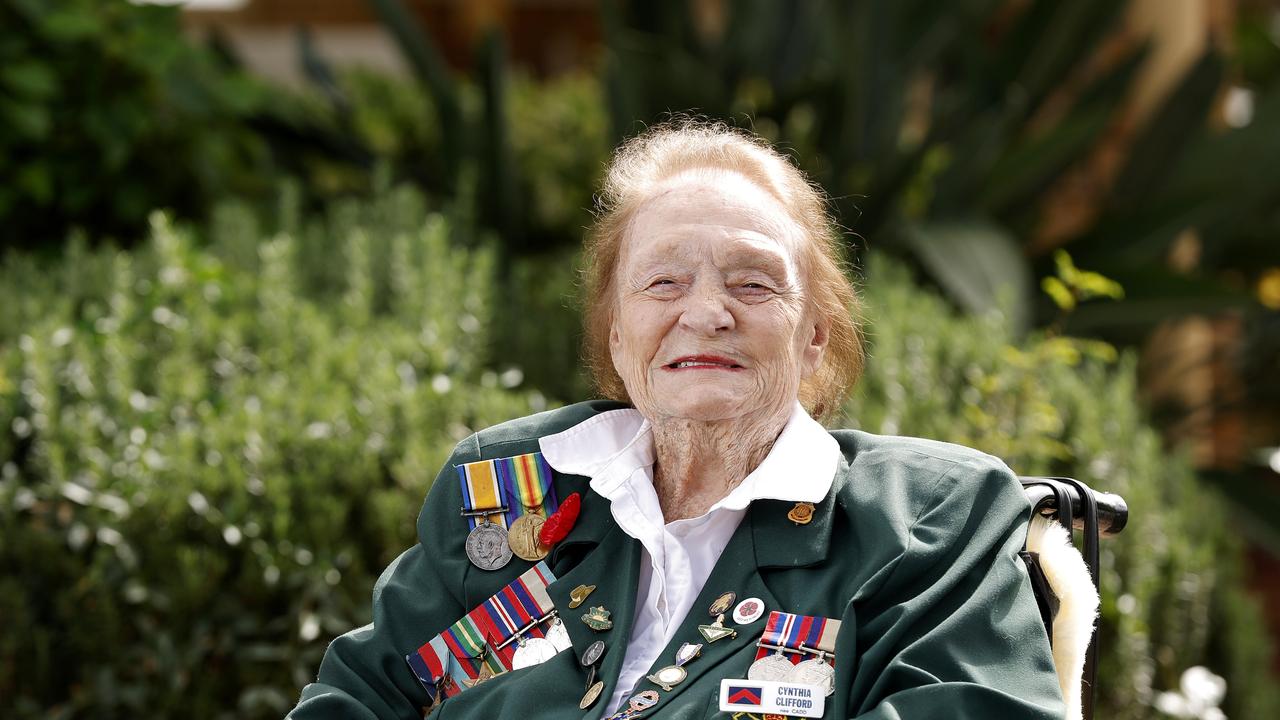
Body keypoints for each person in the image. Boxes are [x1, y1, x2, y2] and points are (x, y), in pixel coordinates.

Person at [287, 120, 1065, 719]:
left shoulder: (927, 521)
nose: (706, 313)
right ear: (618, 336)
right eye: (662, 281)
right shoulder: (509, 489)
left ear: (813, 336)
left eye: (754, 284)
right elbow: (365, 695)